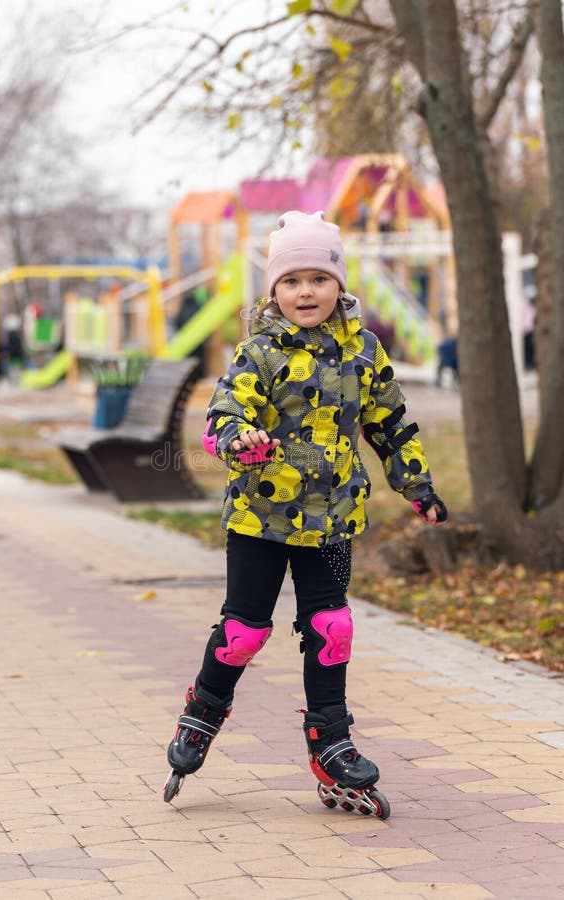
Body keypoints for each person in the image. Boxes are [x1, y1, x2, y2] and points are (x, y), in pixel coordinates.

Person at [164, 210, 448, 814]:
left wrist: (417, 487)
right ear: (275, 292)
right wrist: (237, 435)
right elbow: (221, 418)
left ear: (338, 287)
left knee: (332, 628)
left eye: (318, 278)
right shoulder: (258, 354)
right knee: (243, 633)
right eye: (291, 281)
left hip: (331, 520)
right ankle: (202, 712)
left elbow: (390, 424)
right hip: (260, 521)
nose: (305, 292)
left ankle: (332, 743)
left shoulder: (364, 352)